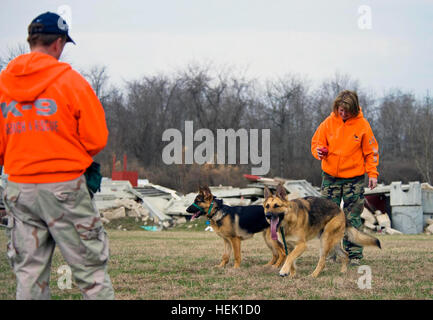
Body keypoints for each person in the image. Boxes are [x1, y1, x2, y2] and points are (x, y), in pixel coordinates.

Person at [0, 12, 114, 299]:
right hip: (65, 188)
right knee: (91, 273)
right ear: (58, 43)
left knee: (29, 274)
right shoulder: (71, 82)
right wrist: (68, 156)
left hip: (20, 189)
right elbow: (96, 138)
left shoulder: (3, 85)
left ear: (31, 41)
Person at [311, 90, 379, 265]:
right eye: (340, 110)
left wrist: (372, 173)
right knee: (327, 216)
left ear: (354, 109)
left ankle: (354, 256)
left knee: (352, 217)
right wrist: (319, 151)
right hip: (330, 177)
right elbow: (316, 143)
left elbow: (371, 153)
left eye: (346, 111)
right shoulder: (328, 122)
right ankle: (331, 253)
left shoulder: (363, 125)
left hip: (353, 179)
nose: (342, 113)